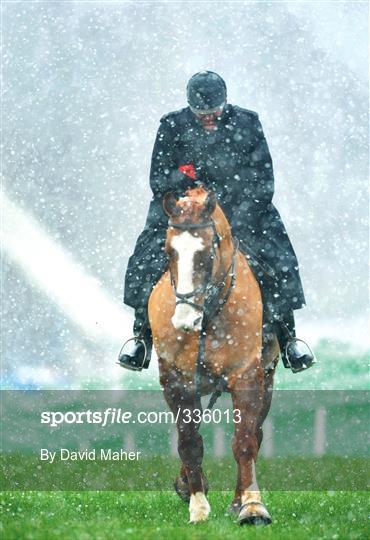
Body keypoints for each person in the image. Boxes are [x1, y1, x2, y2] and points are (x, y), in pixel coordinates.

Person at [118, 70, 315, 373]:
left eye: (213, 112)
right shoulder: (171, 126)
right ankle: (141, 337)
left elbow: (262, 179)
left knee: (278, 259)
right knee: (146, 258)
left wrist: (236, 220)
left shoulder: (248, 123)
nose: (208, 118)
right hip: (184, 213)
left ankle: (288, 338)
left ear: (225, 103)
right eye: (201, 114)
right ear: (190, 107)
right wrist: (188, 201)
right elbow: (159, 179)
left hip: (242, 213)